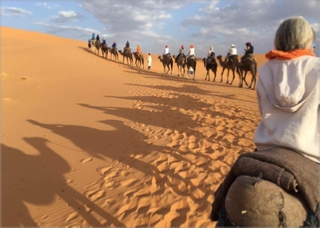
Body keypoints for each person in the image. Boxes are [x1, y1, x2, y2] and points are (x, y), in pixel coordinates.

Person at [210, 16, 319, 226]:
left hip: (266, 149)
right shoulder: (317, 68)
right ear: (307, 42)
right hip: (312, 156)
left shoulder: (266, 70)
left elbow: (263, 112)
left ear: (279, 41)